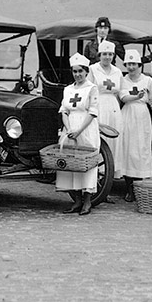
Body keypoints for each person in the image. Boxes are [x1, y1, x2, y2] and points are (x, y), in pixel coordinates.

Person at [56, 53, 100, 215]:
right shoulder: (68, 89)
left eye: (80, 71)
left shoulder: (92, 89)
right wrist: (68, 129)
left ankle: (87, 201)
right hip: (70, 129)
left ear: (86, 71)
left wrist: (79, 130)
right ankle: (76, 200)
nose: (77, 74)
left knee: (86, 163)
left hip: (86, 128)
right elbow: (64, 111)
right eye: (75, 71)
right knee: (70, 163)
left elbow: (93, 112)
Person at [116, 48, 152, 202]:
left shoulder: (147, 80)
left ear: (139, 64)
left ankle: (141, 189)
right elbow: (124, 97)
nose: (131, 67)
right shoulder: (123, 80)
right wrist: (136, 96)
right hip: (128, 114)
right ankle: (129, 189)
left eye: (134, 64)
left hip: (142, 116)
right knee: (128, 149)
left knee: (141, 150)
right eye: (128, 64)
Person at [88, 40, 124, 200]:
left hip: (114, 108)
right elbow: (88, 89)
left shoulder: (117, 72)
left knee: (113, 144)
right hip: (99, 106)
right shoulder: (93, 69)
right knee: (98, 143)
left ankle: (106, 184)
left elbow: (120, 92)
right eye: (104, 54)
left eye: (110, 54)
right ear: (99, 55)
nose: (107, 57)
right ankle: (95, 186)